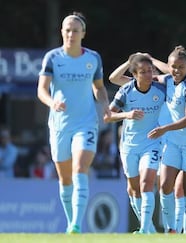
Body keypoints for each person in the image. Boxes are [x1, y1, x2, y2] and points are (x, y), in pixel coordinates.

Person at [37, 11, 111, 234]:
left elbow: (98, 87)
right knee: (65, 177)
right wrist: (52, 102)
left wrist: (105, 106)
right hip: (59, 125)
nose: (71, 34)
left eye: (75, 30)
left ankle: (77, 225)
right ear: (62, 32)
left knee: (81, 169)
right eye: (67, 30)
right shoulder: (52, 58)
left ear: (83, 34)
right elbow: (41, 89)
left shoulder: (93, 58)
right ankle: (71, 222)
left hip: (86, 123)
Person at [104, 53, 166, 234]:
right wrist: (127, 115)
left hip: (152, 143)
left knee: (147, 183)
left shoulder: (161, 89)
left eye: (150, 71)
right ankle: (150, 230)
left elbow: (176, 76)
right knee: (133, 188)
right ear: (134, 75)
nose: (148, 75)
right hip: (129, 145)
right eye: (143, 72)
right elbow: (108, 116)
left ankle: (144, 228)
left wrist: (152, 58)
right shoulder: (126, 91)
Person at [148, 46, 186, 234]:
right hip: (173, 143)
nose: (176, 71)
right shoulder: (167, 80)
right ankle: (170, 230)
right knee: (164, 186)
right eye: (173, 66)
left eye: (181, 67)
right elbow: (153, 76)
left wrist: (164, 129)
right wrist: (150, 60)